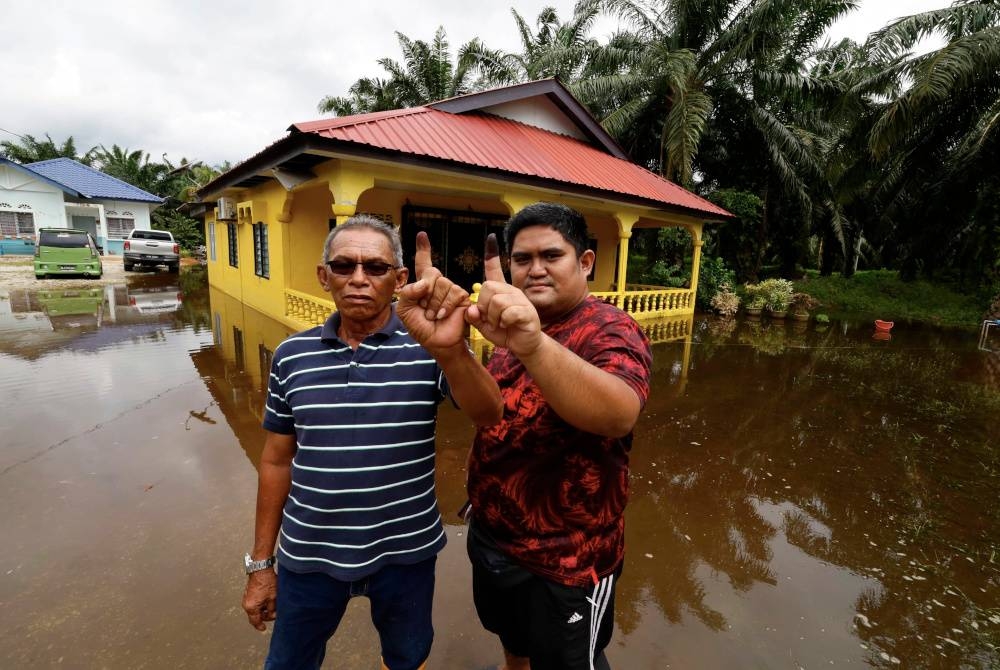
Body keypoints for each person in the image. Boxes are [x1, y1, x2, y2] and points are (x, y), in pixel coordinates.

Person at [241, 215, 502, 670]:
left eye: (375, 267)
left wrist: (452, 350)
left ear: (399, 280)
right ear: (324, 276)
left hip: (406, 552)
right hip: (309, 552)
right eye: (344, 265)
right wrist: (261, 565)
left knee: (407, 656)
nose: (358, 278)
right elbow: (277, 462)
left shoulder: (429, 349)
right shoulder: (291, 356)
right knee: (288, 661)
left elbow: (488, 414)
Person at [464, 202, 653, 670]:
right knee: (513, 641)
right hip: (494, 538)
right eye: (522, 259)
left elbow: (619, 414)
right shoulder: (511, 322)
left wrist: (532, 344)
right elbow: (489, 415)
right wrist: (451, 351)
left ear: (585, 262)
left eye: (551, 255)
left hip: (569, 562)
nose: (535, 269)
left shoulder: (610, 328)